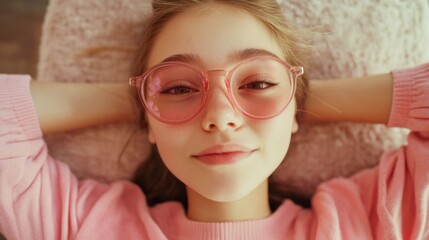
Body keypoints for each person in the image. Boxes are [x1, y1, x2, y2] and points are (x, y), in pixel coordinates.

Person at [0, 0, 428, 239]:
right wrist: (141, 98)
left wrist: (298, 97)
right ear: (146, 121)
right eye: (179, 89)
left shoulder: (364, 223)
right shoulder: (87, 227)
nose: (220, 117)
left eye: (257, 83)